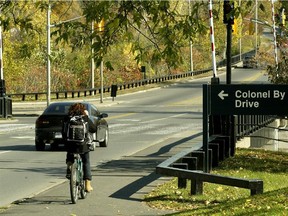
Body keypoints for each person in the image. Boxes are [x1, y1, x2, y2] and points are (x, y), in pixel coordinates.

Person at [62, 103, 96, 192]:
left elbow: (63, 132)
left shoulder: (68, 118)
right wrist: (87, 117)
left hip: (70, 145)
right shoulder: (84, 118)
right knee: (86, 162)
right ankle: (87, 185)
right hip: (83, 145)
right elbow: (93, 129)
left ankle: (69, 167)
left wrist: (66, 141)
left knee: (70, 154)